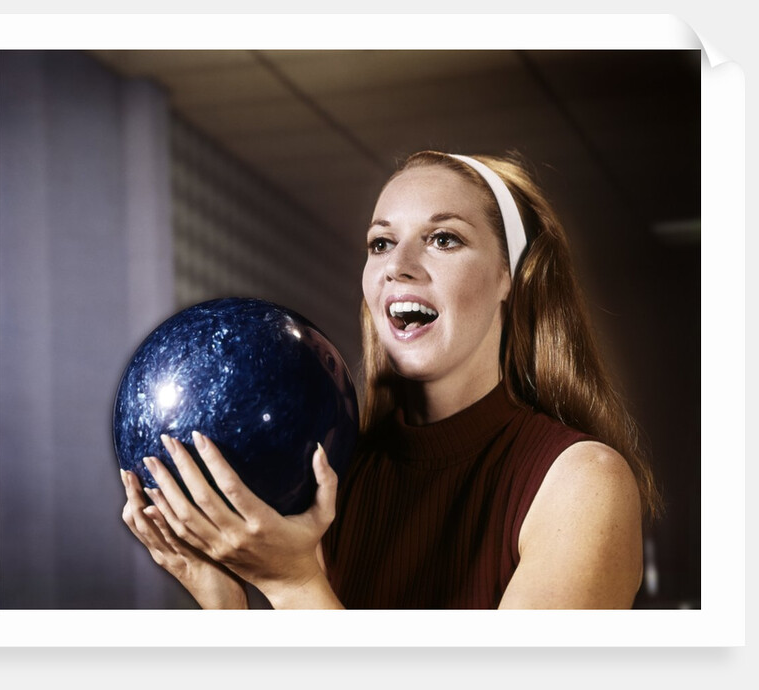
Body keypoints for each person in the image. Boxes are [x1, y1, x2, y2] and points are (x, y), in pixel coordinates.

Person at [120, 150, 661, 610]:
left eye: (443, 239)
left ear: (512, 277)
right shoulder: (333, 474)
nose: (397, 265)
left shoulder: (583, 482)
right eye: (381, 243)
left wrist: (293, 585)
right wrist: (223, 600)